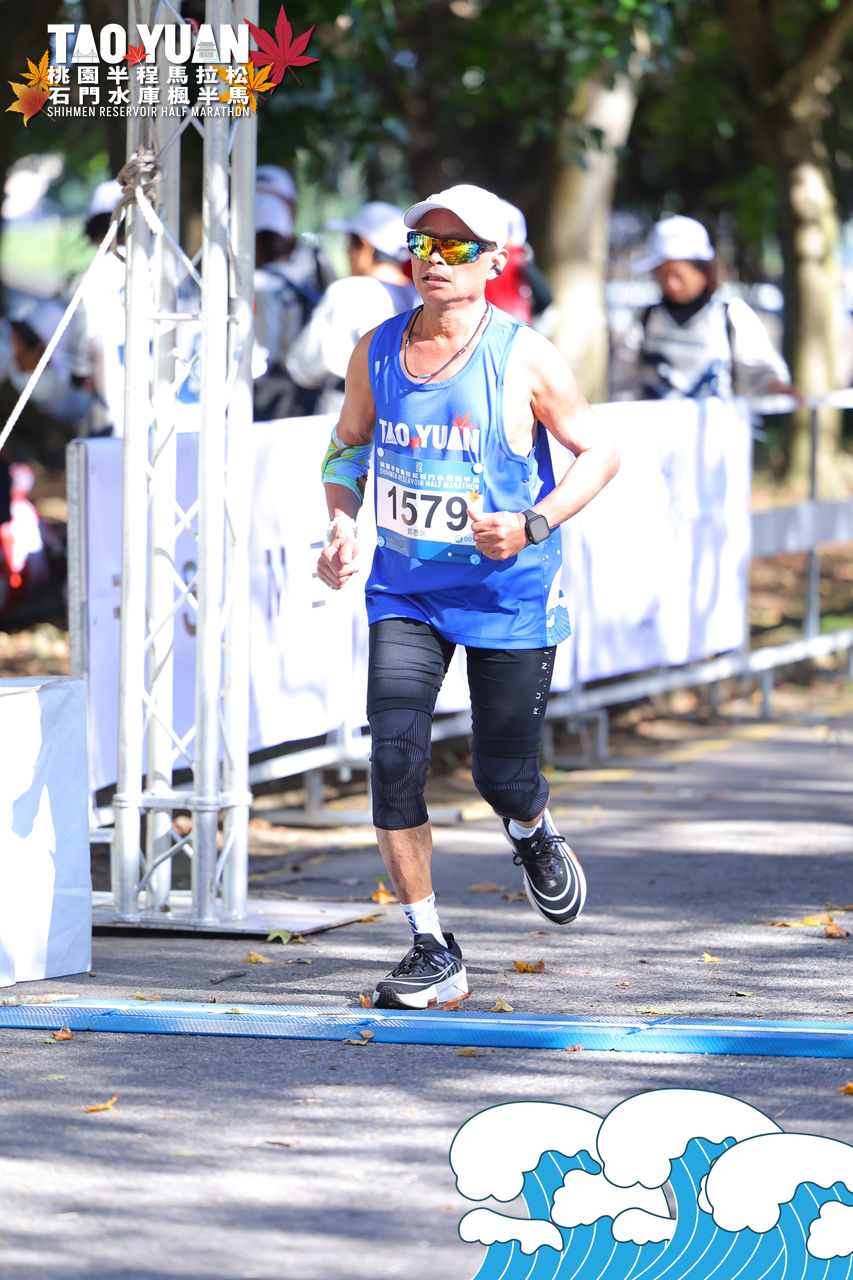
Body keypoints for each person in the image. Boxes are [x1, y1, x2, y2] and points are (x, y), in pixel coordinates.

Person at [317, 183, 619, 1009]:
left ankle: (530, 828)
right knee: (393, 759)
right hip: (405, 592)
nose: (434, 261)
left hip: (507, 593)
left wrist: (531, 522)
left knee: (501, 775)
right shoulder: (376, 350)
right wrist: (341, 523)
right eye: (422, 244)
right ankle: (430, 947)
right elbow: (345, 449)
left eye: (456, 248)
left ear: (495, 261)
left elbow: (599, 452)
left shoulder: (524, 355)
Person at [611, 214, 801, 402]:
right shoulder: (644, 318)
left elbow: (761, 370)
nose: (671, 284)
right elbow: (622, 381)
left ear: (703, 272)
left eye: (678, 275)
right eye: (662, 275)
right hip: (656, 422)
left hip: (717, 421)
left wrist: (777, 385)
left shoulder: (730, 316)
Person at [286, 201, 419, 415]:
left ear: (364, 245)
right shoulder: (417, 296)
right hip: (399, 412)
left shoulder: (348, 291)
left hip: (345, 410)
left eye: (349, 242)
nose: (347, 251)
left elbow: (304, 366)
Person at [67, 179, 127, 436]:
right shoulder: (174, 267)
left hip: (119, 414)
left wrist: (79, 373)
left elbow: (82, 341)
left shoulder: (97, 275)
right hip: (185, 414)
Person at [253, 192, 320, 420]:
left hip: (271, 392)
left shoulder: (261, 283)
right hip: (301, 390)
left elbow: (263, 350)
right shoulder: (301, 277)